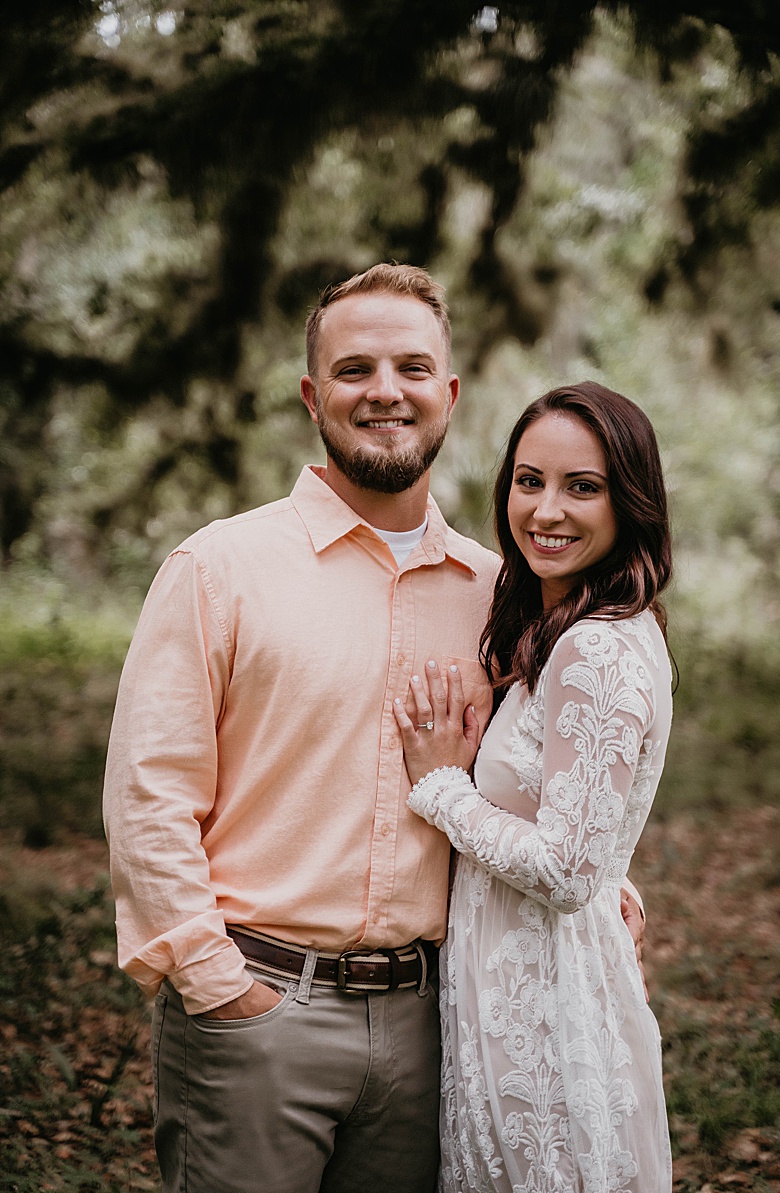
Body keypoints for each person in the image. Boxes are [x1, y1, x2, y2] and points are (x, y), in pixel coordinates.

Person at [102, 264, 643, 1192]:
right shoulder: (219, 568)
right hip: (259, 1015)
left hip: (435, 1025)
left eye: (411, 368)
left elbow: (535, 764)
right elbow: (148, 796)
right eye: (354, 370)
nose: (385, 391)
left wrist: (608, 871)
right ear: (315, 395)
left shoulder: (497, 592)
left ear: (449, 393)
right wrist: (217, 983)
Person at [390, 382, 673, 1192]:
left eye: (582, 487)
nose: (546, 510)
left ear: (630, 501)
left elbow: (564, 868)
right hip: (509, 988)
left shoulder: (596, 649)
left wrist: (442, 785)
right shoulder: (582, 627)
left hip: (547, 1005)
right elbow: (587, 825)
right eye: (529, 480)